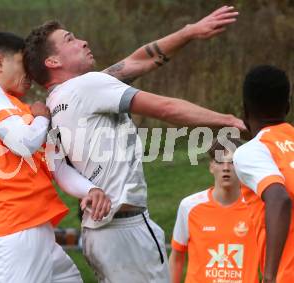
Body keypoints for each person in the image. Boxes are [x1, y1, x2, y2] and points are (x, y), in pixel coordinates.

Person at [23, 6, 246, 282]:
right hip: (126, 231)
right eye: (70, 39)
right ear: (53, 62)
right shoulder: (89, 86)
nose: (82, 41)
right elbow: (164, 108)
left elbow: (137, 61)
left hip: (99, 234)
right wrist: (227, 120)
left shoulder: (56, 103)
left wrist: (189, 32)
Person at [0, 32, 109, 283]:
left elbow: (56, 167)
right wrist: (41, 118)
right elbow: (23, 142)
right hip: (9, 233)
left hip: (38, 231)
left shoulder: (23, 111)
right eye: (22, 62)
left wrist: (89, 189)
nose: (30, 71)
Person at [233, 65, 293, 283]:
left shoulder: (252, 151)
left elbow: (280, 198)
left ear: (245, 111)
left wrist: (269, 277)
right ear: (287, 106)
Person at [169, 138, 259, 283]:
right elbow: (177, 257)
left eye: (232, 162)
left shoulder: (257, 208)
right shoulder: (189, 206)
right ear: (211, 166)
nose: (226, 168)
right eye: (219, 162)